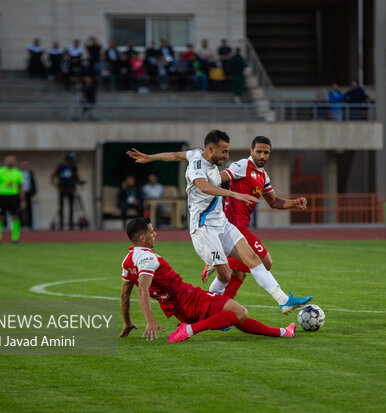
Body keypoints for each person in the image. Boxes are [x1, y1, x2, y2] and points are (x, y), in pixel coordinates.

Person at [126, 130, 312, 314]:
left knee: (254, 259)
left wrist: (150, 157)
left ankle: (283, 300)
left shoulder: (196, 153)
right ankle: (210, 310)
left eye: (227, 151)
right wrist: (234, 193)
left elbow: (175, 155)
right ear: (211, 150)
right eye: (224, 152)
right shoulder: (197, 165)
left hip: (222, 222)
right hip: (203, 227)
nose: (227, 156)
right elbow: (204, 186)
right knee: (225, 274)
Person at [119, 218, 296, 342]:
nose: (155, 234)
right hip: (187, 297)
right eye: (151, 232)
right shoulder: (147, 259)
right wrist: (150, 320)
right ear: (142, 237)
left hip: (178, 307)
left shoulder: (127, 261)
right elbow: (142, 289)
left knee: (234, 315)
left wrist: (127, 322)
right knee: (240, 312)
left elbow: (124, 295)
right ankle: (189, 330)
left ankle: (282, 333)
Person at [209, 136, 307, 298]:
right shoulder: (242, 165)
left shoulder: (263, 175)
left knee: (239, 273)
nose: (262, 156)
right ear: (251, 151)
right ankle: (217, 261)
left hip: (241, 226)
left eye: (266, 153)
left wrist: (295, 202)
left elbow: (274, 201)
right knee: (265, 262)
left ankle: (219, 309)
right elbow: (217, 179)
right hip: (233, 226)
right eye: (259, 152)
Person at [0, 154, 25, 244]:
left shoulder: (18, 172)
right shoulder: (0, 171)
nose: (10, 161)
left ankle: (15, 238)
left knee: (15, 217)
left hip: (14, 196)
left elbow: (21, 187)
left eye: (12, 160)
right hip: (2, 196)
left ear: (15, 162)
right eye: (8, 160)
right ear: (5, 161)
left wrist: (23, 200)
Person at [51, 152, 81, 230]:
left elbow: (77, 177)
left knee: (71, 207)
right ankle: (61, 225)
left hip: (71, 190)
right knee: (61, 207)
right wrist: (57, 186)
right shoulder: (60, 166)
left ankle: (70, 225)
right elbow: (52, 177)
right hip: (62, 189)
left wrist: (80, 182)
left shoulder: (73, 167)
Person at [19, 157, 37, 229]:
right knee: (19, 210)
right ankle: (20, 225)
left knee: (29, 210)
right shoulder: (17, 172)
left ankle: (30, 226)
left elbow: (33, 182)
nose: (25, 165)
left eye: (26, 164)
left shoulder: (30, 172)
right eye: (23, 164)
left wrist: (34, 191)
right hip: (19, 193)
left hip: (28, 193)